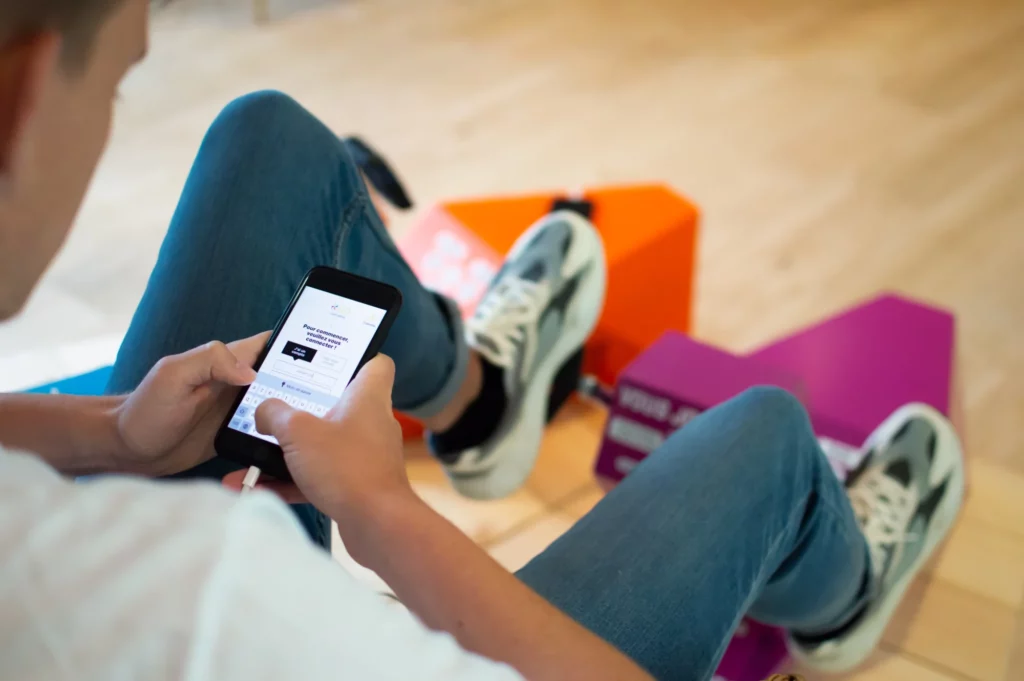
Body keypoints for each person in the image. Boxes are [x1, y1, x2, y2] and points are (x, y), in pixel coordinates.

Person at [0, 1, 966, 680]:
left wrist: (110, 432)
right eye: (120, 83)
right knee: (768, 443)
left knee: (270, 139)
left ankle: (479, 401)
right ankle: (846, 595)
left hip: (136, 535)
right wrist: (383, 510)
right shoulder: (196, 594)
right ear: (21, 98)